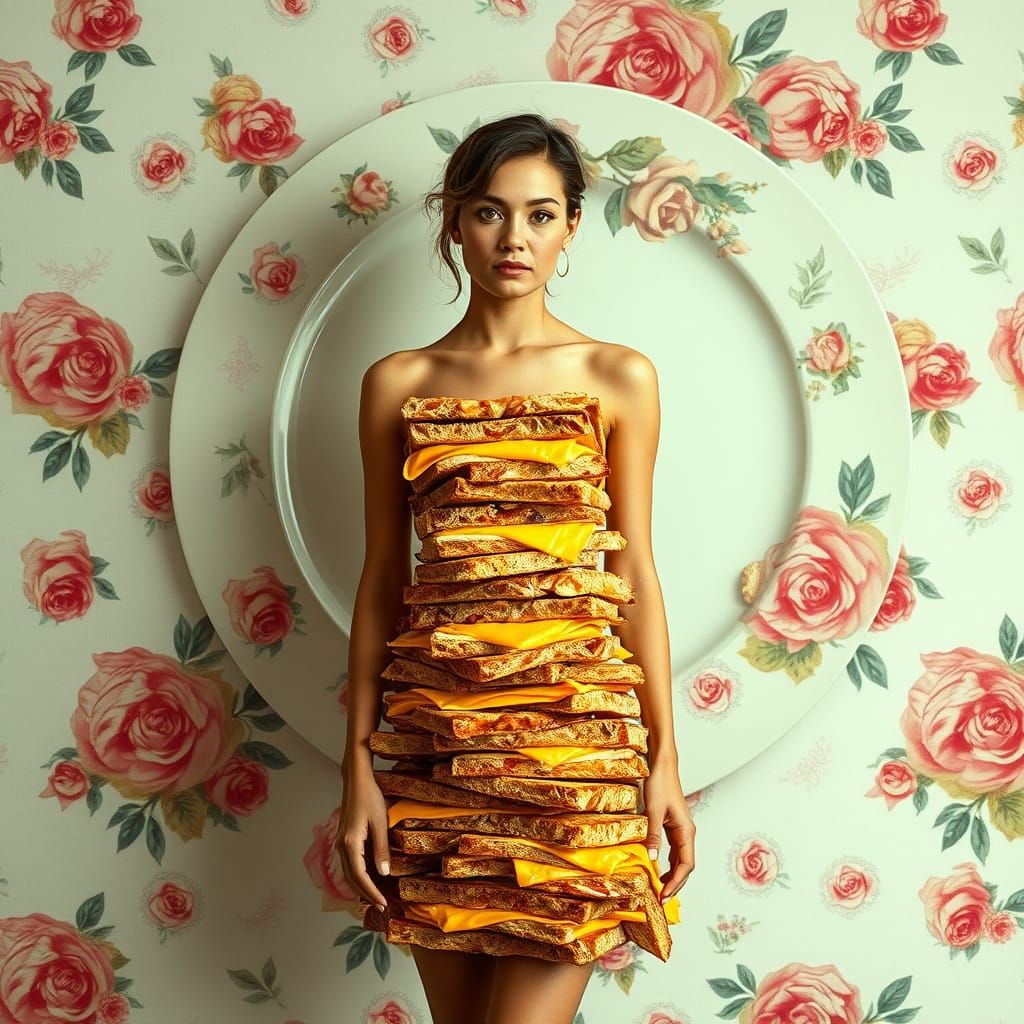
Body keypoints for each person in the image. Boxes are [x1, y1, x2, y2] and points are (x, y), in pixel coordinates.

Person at [338, 112, 695, 1024]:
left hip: (578, 750)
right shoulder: (399, 383)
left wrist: (663, 764)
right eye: (491, 213)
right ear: (455, 222)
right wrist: (359, 771)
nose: (515, 238)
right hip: (435, 752)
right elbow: (383, 581)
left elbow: (640, 577)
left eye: (541, 215)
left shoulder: (618, 375)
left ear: (572, 225)